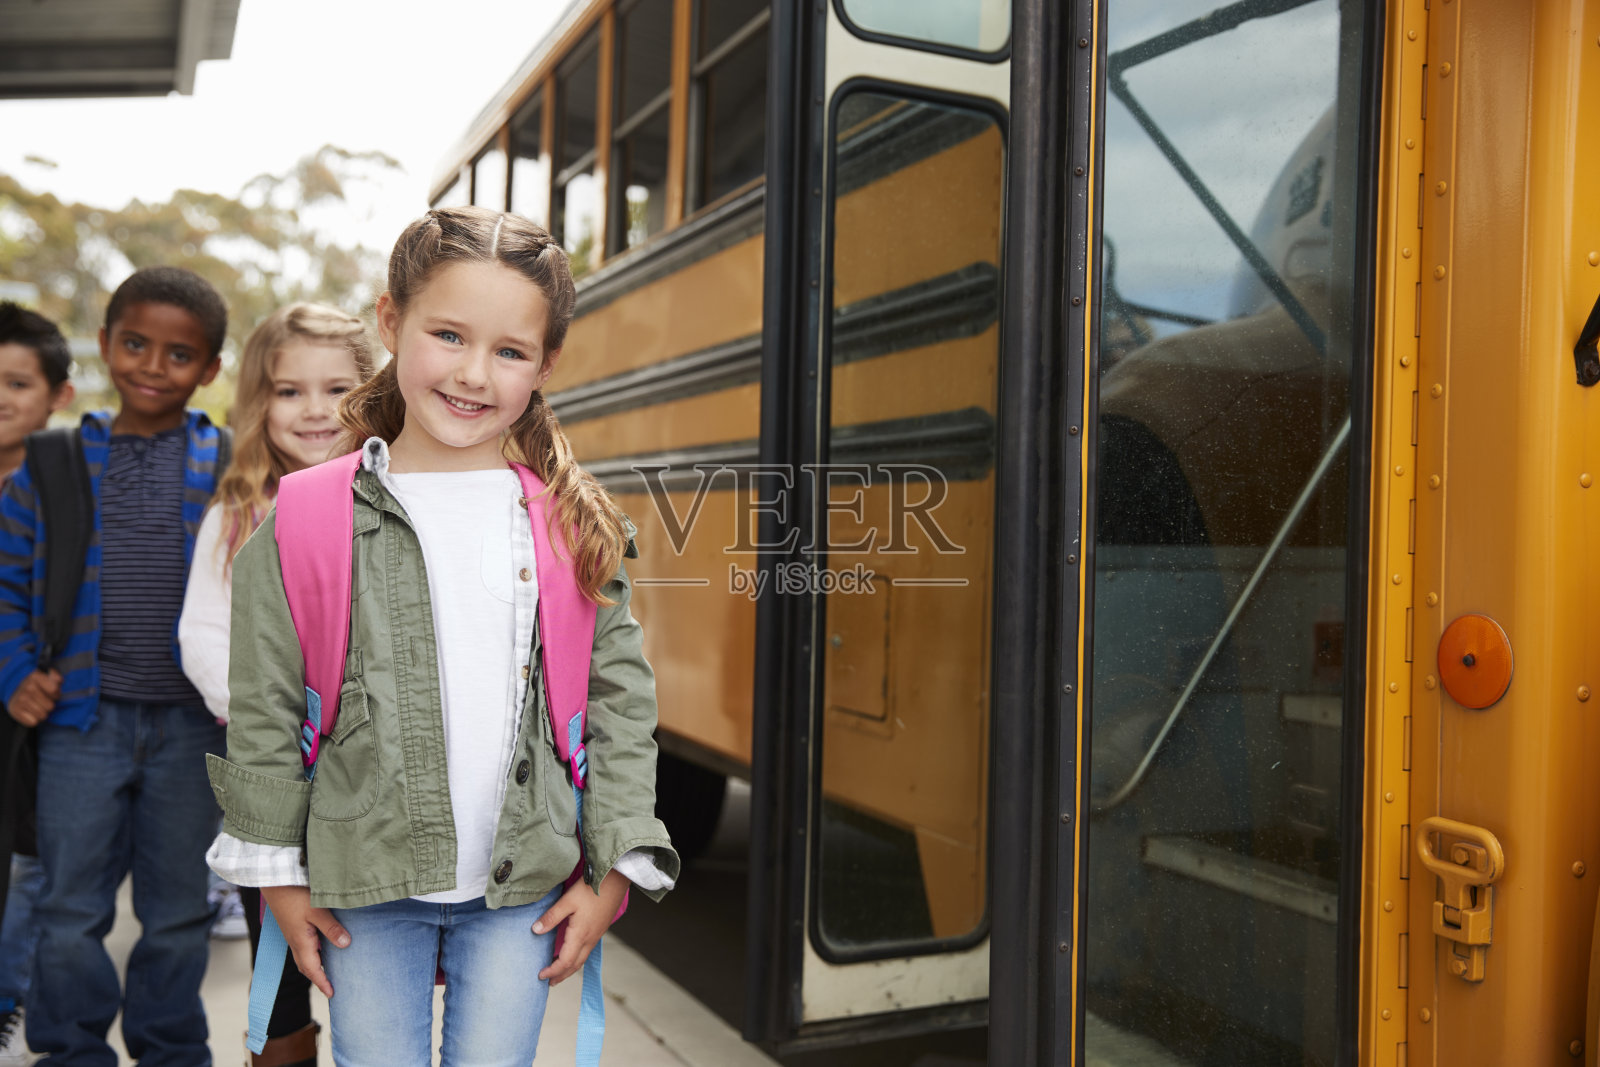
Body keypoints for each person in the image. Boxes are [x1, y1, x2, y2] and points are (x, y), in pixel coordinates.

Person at [205, 207, 680, 1064]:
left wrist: (613, 873)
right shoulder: (308, 515)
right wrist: (277, 877)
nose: (473, 372)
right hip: (362, 886)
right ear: (391, 321)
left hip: (524, 892)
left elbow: (619, 708)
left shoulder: (575, 520)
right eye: (449, 334)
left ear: (547, 363)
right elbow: (267, 706)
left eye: (510, 350)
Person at [0, 267, 231, 1065]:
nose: (151, 365)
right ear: (104, 345)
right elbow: (4, 583)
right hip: (79, 724)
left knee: (175, 911)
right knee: (68, 907)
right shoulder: (50, 464)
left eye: (179, 353)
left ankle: (170, 1045)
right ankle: (69, 1050)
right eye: (134, 344)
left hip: (193, 729)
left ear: (209, 370)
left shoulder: (230, 464)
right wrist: (14, 671)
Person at [178, 303, 376, 1066]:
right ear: (261, 402)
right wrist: (257, 709)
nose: (316, 410)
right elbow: (202, 632)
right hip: (275, 783)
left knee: (365, 961)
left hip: (368, 784)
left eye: (337, 388)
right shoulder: (237, 514)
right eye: (289, 391)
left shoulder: (390, 503)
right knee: (281, 969)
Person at [0, 303, 75, 1067]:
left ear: (56, 391)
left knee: (32, 865)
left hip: (35, 711)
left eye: (16, 381)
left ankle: (11, 1001)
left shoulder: (67, 481)